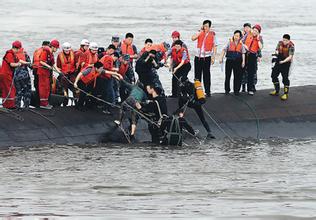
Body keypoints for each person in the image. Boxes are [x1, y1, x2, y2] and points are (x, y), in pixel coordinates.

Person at [191, 20, 218, 96]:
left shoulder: (213, 34)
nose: (205, 27)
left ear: (209, 27)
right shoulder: (199, 32)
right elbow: (192, 38)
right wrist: (200, 32)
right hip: (198, 57)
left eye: (206, 26)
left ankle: (208, 91)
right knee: (197, 75)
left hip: (207, 57)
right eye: (204, 26)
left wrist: (213, 57)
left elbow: (215, 46)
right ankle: (197, 92)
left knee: (206, 75)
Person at [0, 41, 30, 109]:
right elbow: (12, 64)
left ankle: (7, 105)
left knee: (7, 89)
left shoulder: (13, 54)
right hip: (5, 74)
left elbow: (19, 60)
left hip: (8, 74)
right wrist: (18, 65)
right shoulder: (9, 54)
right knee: (10, 89)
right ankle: (9, 105)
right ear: (17, 48)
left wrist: (27, 63)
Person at [219, 30, 246, 95]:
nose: (236, 37)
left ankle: (236, 90)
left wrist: (243, 62)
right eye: (235, 35)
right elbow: (224, 50)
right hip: (229, 61)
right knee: (227, 76)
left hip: (238, 61)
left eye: (238, 36)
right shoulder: (229, 42)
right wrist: (221, 58)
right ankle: (227, 90)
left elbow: (243, 53)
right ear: (233, 35)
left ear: (240, 37)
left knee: (237, 76)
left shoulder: (241, 44)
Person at [270, 34, 295, 100]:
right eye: (283, 40)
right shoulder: (280, 43)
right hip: (279, 60)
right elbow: (276, 50)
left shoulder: (291, 46)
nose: (284, 41)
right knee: (273, 75)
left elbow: (290, 57)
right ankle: (276, 90)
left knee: (285, 78)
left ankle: (285, 94)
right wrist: (276, 54)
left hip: (286, 62)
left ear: (289, 40)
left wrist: (283, 61)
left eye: (286, 40)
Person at [37, 39, 60, 109]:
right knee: (43, 88)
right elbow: (41, 61)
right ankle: (43, 104)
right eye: (56, 48)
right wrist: (49, 67)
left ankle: (46, 103)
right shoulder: (46, 52)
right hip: (42, 73)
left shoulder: (51, 54)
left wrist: (59, 71)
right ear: (53, 47)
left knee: (47, 88)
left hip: (47, 74)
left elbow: (53, 64)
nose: (56, 49)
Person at [243, 24, 263, 95]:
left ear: (258, 32)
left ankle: (250, 89)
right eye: (254, 30)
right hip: (245, 54)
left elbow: (260, 47)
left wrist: (257, 39)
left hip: (252, 56)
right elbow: (241, 41)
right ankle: (241, 88)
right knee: (243, 71)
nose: (254, 32)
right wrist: (245, 46)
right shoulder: (248, 34)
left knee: (251, 73)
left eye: (256, 31)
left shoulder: (259, 38)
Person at [32, 40, 50, 107]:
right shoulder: (45, 51)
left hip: (35, 69)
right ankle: (43, 103)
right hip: (41, 70)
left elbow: (33, 60)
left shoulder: (36, 50)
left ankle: (37, 103)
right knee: (43, 87)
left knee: (37, 87)